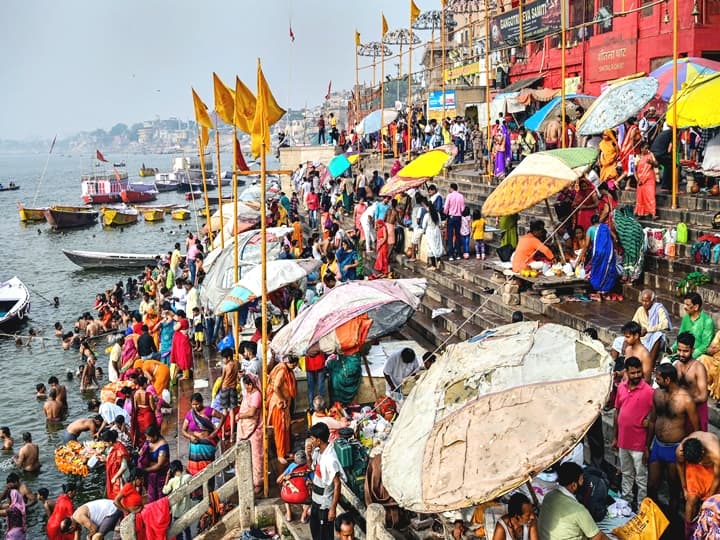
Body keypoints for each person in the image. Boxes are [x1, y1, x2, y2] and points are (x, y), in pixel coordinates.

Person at [647, 363, 700, 517]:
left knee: (673, 489)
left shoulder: (686, 400)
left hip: (675, 449)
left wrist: (687, 452)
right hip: (657, 445)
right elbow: (652, 420)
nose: (655, 381)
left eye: (658, 379)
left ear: (668, 379)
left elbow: (696, 429)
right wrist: (646, 446)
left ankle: (670, 520)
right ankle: (652, 518)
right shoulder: (657, 393)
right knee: (651, 486)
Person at [612, 356, 654, 508]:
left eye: (638, 372)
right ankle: (626, 503)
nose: (636, 375)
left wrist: (647, 446)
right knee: (626, 474)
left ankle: (641, 507)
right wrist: (615, 437)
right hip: (623, 441)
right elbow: (617, 412)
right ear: (627, 372)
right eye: (633, 373)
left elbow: (654, 419)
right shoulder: (621, 388)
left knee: (641, 478)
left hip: (639, 444)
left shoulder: (649, 391)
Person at [538, 462, 609, 540]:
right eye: (581, 479)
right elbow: (598, 537)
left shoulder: (549, 496)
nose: (583, 481)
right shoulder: (578, 510)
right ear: (574, 485)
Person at [309, 422, 346, 540]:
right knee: (315, 532)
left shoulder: (330, 459)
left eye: (312, 439)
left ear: (318, 440)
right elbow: (312, 468)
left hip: (324, 505)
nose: (311, 441)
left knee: (325, 536)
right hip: (315, 501)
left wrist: (332, 508)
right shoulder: (318, 452)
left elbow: (337, 484)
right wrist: (307, 453)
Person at [676, 432, 720, 531]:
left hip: (712, 470)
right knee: (691, 499)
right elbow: (679, 465)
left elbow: (717, 479)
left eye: (701, 460)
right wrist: (684, 488)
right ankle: (687, 530)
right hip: (694, 470)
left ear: (703, 451)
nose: (700, 463)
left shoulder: (716, 454)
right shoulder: (680, 451)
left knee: (711, 504)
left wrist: (708, 500)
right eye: (698, 462)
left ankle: (707, 530)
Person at [674, 332, 710, 431]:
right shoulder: (676, 365)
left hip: (697, 410)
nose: (681, 354)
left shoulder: (699, 368)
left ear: (692, 350)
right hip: (682, 411)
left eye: (685, 351)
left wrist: (686, 403)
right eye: (679, 350)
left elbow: (703, 396)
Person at [182, 393, 223, 476]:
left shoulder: (208, 410)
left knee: (207, 467)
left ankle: (210, 485)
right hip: (195, 445)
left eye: (197, 404)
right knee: (195, 470)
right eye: (193, 404)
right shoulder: (190, 414)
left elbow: (222, 417)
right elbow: (183, 430)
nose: (195, 406)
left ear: (201, 402)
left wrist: (216, 431)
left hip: (207, 445)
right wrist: (190, 437)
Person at [268, 357, 298, 464]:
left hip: (285, 404)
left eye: (295, 362)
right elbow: (276, 387)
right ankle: (280, 454)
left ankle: (286, 451)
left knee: (286, 427)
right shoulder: (282, 370)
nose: (294, 365)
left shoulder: (287, 370)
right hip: (279, 404)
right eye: (293, 362)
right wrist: (282, 399)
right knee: (280, 430)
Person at [237, 374, 264, 494]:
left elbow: (252, 412)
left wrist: (240, 416)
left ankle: (258, 482)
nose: (246, 388)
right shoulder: (249, 394)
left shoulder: (256, 395)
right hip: (245, 427)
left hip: (254, 429)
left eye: (247, 385)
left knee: (256, 456)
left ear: (251, 384)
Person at [632, 289, 671, 367]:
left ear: (653, 300)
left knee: (658, 335)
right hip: (642, 338)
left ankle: (650, 363)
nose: (644, 303)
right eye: (642, 301)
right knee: (618, 341)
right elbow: (633, 324)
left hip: (656, 340)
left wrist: (648, 330)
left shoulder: (659, 309)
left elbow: (665, 324)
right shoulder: (640, 310)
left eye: (647, 301)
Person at [673, 292, 716, 359]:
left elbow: (705, 345)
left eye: (687, 305)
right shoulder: (686, 318)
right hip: (683, 353)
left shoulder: (707, 321)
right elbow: (680, 337)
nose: (684, 307)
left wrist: (691, 356)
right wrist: (672, 349)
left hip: (699, 356)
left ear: (696, 307)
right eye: (684, 304)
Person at [278, 450, 311, 523]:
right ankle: (304, 516)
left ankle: (289, 515)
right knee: (310, 490)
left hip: (287, 497)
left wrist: (284, 480)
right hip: (303, 497)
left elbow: (278, 480)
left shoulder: (291, 466)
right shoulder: (307, 468)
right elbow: (314, 480)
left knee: (285, 488)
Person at [162, 460, 192, 540]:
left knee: (178, 533)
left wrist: (167, 476)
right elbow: (191, 476)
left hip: (176, 512)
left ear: (172, 471)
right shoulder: (187, 477)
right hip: (186, 509)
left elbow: (164, 491)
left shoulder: (172, 481)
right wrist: (186, 470)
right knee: (187, 530)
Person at [139, 424, 169, 502]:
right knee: (151, 496)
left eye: (149, 437)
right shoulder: (148, 442)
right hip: (150, 474)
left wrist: (145, 470)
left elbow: (159, 465)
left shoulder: (163, 446)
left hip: (160, 474)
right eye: (146, 437)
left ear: (155, 436)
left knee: (160, 496)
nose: (147, 439)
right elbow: (142, 452)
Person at [103, 429, 129, 500]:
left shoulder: (120, 450)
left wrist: (115, 477)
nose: (104, 445)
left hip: (120, 477)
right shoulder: (112, 448)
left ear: (110, 442)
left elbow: (124, 467)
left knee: (121, 495)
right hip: (113, 474)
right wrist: (104, 459)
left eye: (105, 443)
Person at [634, 143, 658, 218]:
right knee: (641, 196)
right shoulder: (638, 157)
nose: (647, 150)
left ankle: (653, 213)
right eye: (645, 148)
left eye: (648, 148)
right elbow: (634, 170)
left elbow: (657, 164)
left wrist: (652, 162)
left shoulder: (651, 155)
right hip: (640, 180)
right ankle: (641, 213)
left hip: (650, 178)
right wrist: (637, 180)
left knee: (651, 195)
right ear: (641, 149)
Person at [444, 183, 465, 261]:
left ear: (451, 188)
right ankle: (458, 254)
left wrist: (445, 213)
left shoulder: (449, 196)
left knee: (450, 236)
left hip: (451, 217)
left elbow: (446, 208)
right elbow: (463, 209)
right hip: (458, 217)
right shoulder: (461, 196)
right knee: (458, 235)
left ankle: (451, 255)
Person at [422, 199, 444, 270]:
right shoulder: (437, 214)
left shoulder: (427, 215)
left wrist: (423, 230)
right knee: (437, 246)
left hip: (430, 232)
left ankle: (434, 265)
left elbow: (423, 226)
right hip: (437, 231)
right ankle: (439, 261)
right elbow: (440, 224)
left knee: (430, 248)